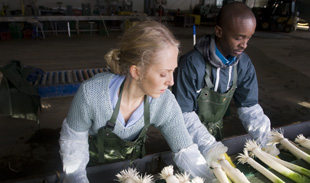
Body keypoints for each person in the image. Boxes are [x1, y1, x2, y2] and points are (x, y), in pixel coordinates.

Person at [59, 21, 215, 183]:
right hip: (91, 173)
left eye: (173, 71)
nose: (171, 82)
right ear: (136, 71)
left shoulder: (164, 102)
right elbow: (73, 146)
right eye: (164, 74)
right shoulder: (91, 94)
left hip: (133, 174)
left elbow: (185, 149)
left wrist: (209, 178)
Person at [172, 2, 272, 152]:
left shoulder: (243, 64)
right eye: (239, 38)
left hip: (216, 130)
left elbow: (249, 108)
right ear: (219, 31)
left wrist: (268, 142)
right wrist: (209, 146)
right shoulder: (192, 64)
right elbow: (183, 114)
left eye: (248, 38)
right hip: (186, 135)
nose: (244, 45)